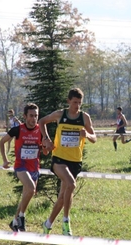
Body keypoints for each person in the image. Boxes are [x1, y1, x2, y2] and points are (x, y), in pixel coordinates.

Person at [39, 88, 97, 236]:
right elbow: (42, 122)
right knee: (71, 184)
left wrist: (87, 134)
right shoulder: (60, 114)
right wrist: (46, 138)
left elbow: (94, 138)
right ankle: (66, 222)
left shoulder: (85, 118)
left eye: (79, 103)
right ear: (68, 101)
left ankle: (48, 224)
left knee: (62, 196)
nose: (77, 106)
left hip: (75, 160)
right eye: (74, 102)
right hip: (59, 158)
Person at [0, 103, 48, 232]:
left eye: (36, 116)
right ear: (25, 116)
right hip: (21, 166)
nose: (34, 119)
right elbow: (2, 142)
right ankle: (22, 216)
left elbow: (45, 150)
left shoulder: (40, 130)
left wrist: (46, 147)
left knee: (27, 194)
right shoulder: (18, 129)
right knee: (31, 189)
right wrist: (5, 160)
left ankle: (15, 221)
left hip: (34, 167)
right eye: (31, 116)